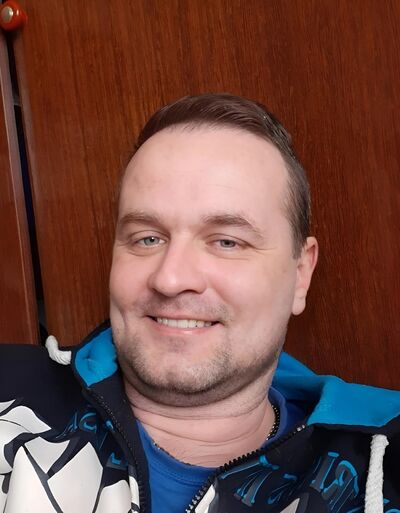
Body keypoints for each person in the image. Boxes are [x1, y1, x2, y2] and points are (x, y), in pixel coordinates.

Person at [0, 94, 399, 513]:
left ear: (300, 274)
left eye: (226, 242)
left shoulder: (385, 459)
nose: (171, 279)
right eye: (147, 238)